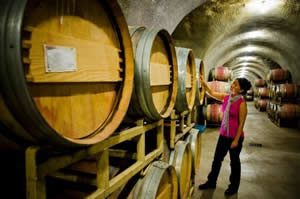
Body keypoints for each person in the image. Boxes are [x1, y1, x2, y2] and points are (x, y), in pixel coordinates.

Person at [198, 76, 251, 196]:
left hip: (235, 138)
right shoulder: (227, 98)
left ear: (241, 90)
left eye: (236, 85)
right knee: (217, 160)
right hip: (223, 135)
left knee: (234, 163)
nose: (232, 86)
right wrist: (204, 84)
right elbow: (212, 93)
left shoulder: (242, 104)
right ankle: (211, 181)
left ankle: (233, 187)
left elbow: (241, 123)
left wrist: (236, 140)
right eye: (233, 83)